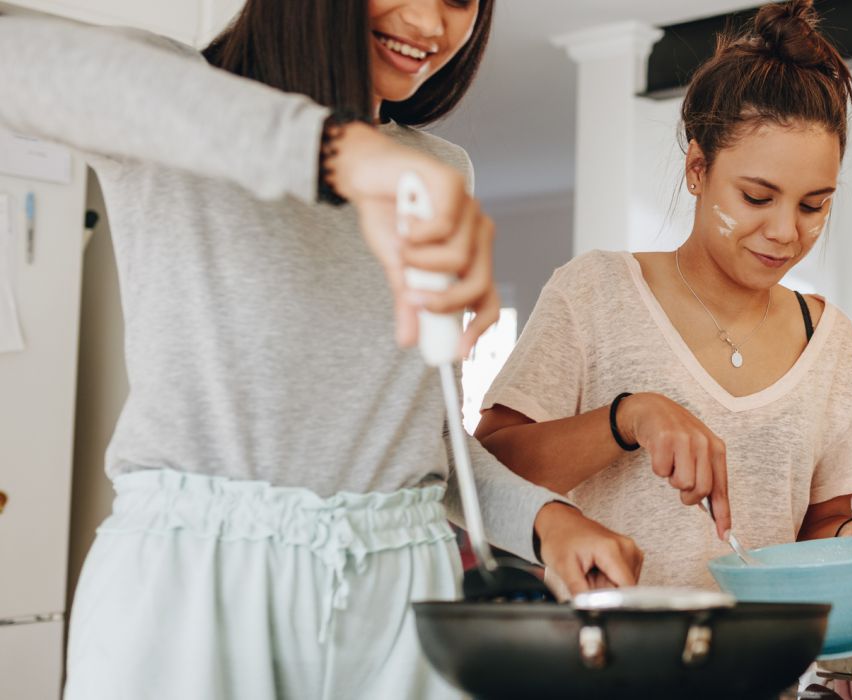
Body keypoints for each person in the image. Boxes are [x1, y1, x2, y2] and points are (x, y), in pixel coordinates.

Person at [0, 2, 640, 697]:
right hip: (193, 596)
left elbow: (424, 448)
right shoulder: (179, 105)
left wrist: (548, 521)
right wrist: (336, 151)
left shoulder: (438, 171)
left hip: (401, 601)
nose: (429, 20)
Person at [473, 0, 852, 590]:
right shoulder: (596, 291)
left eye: (813, 205)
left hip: (759, 670)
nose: (785, 231)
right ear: (697, 170)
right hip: (602, 661)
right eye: (757, 197)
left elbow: (820, 525)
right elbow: (488, 473)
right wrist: (628, 417)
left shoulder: (825, 338)